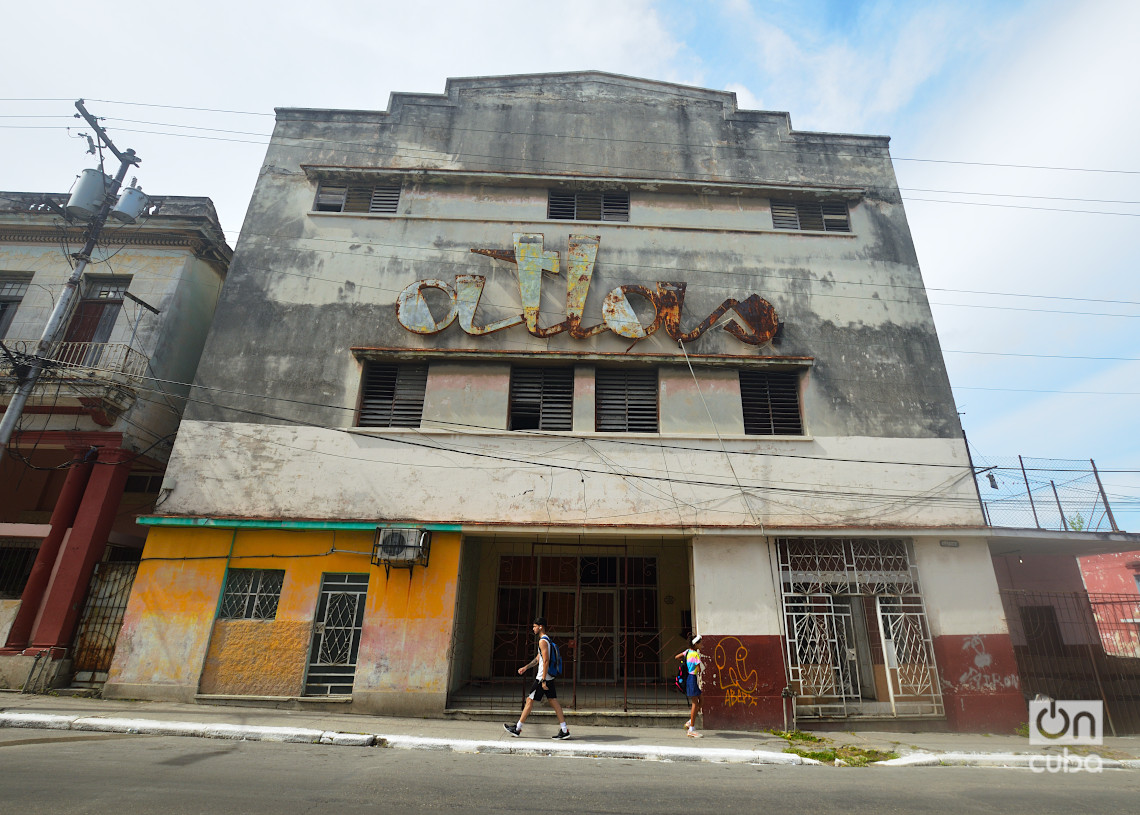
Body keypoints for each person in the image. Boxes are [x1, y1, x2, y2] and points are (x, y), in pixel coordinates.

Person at [503, 616, 570, 739]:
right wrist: (526, 667)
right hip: (548, 678)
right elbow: (538, 659)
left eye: (534, 626)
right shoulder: (546, 640)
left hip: (542, 678)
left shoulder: (543, 641)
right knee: (553, 701)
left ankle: (517, 728)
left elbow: (545, 661)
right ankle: (564, 730)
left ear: (540, 627)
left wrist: (543, 679)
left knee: (529, 700)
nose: (533, 629)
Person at [674, 634, 704, 738]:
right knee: (695, 703)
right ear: (696, 644)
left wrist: (684, 663)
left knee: (701, 699)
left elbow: (677, 657)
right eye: (700, 643)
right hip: (692, 678)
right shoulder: (695, 654)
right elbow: (699, 669)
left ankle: (691, 721)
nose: (702, 645)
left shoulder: (687, 652)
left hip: (689, 678)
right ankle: (691, 728)